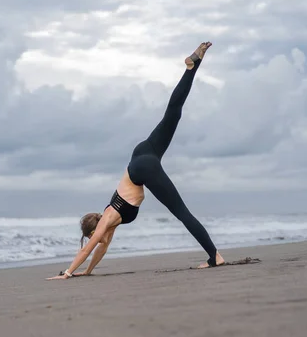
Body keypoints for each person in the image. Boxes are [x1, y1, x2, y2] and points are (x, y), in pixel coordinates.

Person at [46, 41, 225, 280]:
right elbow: (101, 249)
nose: (97, 238)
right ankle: (193, 66)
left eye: (93, 235)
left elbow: (91, 248)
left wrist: (68, 273)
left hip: (142, 167)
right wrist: (87, 272)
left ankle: (215, 257)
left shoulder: (108, 218)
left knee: (182, 212)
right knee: (173, 113)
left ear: (92, 231)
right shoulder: (110, 224)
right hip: (143, 153)